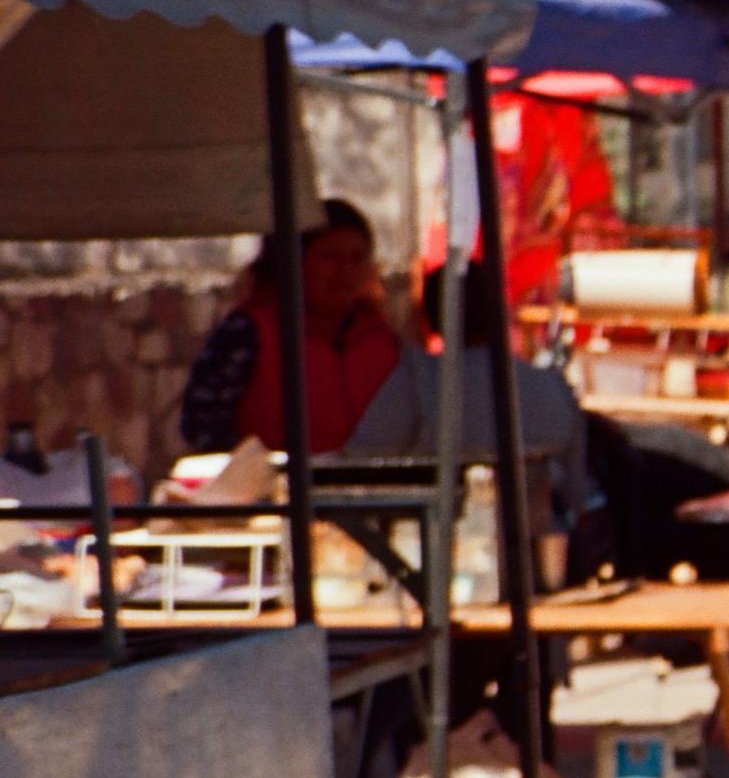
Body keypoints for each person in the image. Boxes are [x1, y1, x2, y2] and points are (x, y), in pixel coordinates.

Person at [340, 266, 600, 584]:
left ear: (432, 318)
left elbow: (361, 460)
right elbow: (578, 491)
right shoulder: (551, 388)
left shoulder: (418, 384)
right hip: (536, 574)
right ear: (504, 313)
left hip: (426, 571)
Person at [180, 198, 399, 459]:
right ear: (294, 261)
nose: (345, 272)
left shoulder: (381, 338)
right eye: (330, 257)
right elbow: (201, 425)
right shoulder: (248, 332)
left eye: (357, 258)